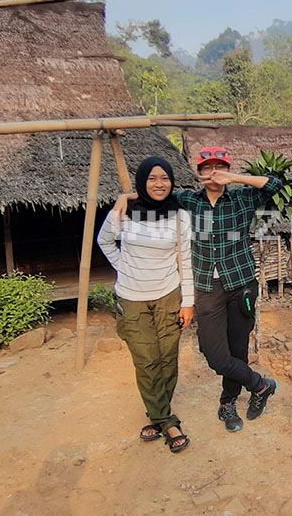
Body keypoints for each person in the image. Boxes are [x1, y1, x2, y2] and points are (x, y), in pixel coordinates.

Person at [116, 146, 282, 433]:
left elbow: (276, 184)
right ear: (199, 173)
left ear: (227, 169)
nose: (213, 172)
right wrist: (123, 197)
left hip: (241, 284)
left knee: (237, 348)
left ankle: (227, 402)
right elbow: (154, 196)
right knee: (214, 352)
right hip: (206, 285)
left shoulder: (244, 197)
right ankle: (260, 385)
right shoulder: (187, 200)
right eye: (207, 168)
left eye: (219, 167)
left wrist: (235, 178)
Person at [97, 157, 194, 453]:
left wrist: (188, 302)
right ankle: (168, 421)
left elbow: (185, 260)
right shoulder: (122, 213)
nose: (159, 184)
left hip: (168, 295)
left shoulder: (180, 216)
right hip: (132, 298)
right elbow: (105, 242)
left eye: (165, 178)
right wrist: (123, 267)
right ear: (142, 181)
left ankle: (155, 415)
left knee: (168, 360)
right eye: (152, 178)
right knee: (147, 361)